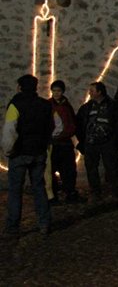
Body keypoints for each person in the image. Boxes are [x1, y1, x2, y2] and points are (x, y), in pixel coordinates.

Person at [2, 74, 53, 236]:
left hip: (20, 152)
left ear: (20, 87)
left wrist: (8, 150)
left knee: (15, 190)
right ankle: (44, 223)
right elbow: (51, 126)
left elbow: (10, 130)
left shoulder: (15, 105)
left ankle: (13, 226)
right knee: (39, 187)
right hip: (38, 152)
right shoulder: (45, 105)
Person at [75, 81, 118, 202]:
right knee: (91, 168)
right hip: (90, 143)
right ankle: (95, 192)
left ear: (99, 92)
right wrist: (82, 140)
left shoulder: (113, 106)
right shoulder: (86, 108)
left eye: (92, 91)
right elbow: (79, 124)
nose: (90, 93)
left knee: (112, 167)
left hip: (107, 143)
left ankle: (115, 192)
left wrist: (115, 140)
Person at [48, 80, 81, 204]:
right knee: (51, 170)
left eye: (58, 91)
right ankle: (53, 195)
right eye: (54, 91)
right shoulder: (48, 106)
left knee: (68, 170)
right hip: (54, 143)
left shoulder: (67, 106)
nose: (56, 93)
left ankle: (70, 193)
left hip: (65, 143)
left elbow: (71, 122)